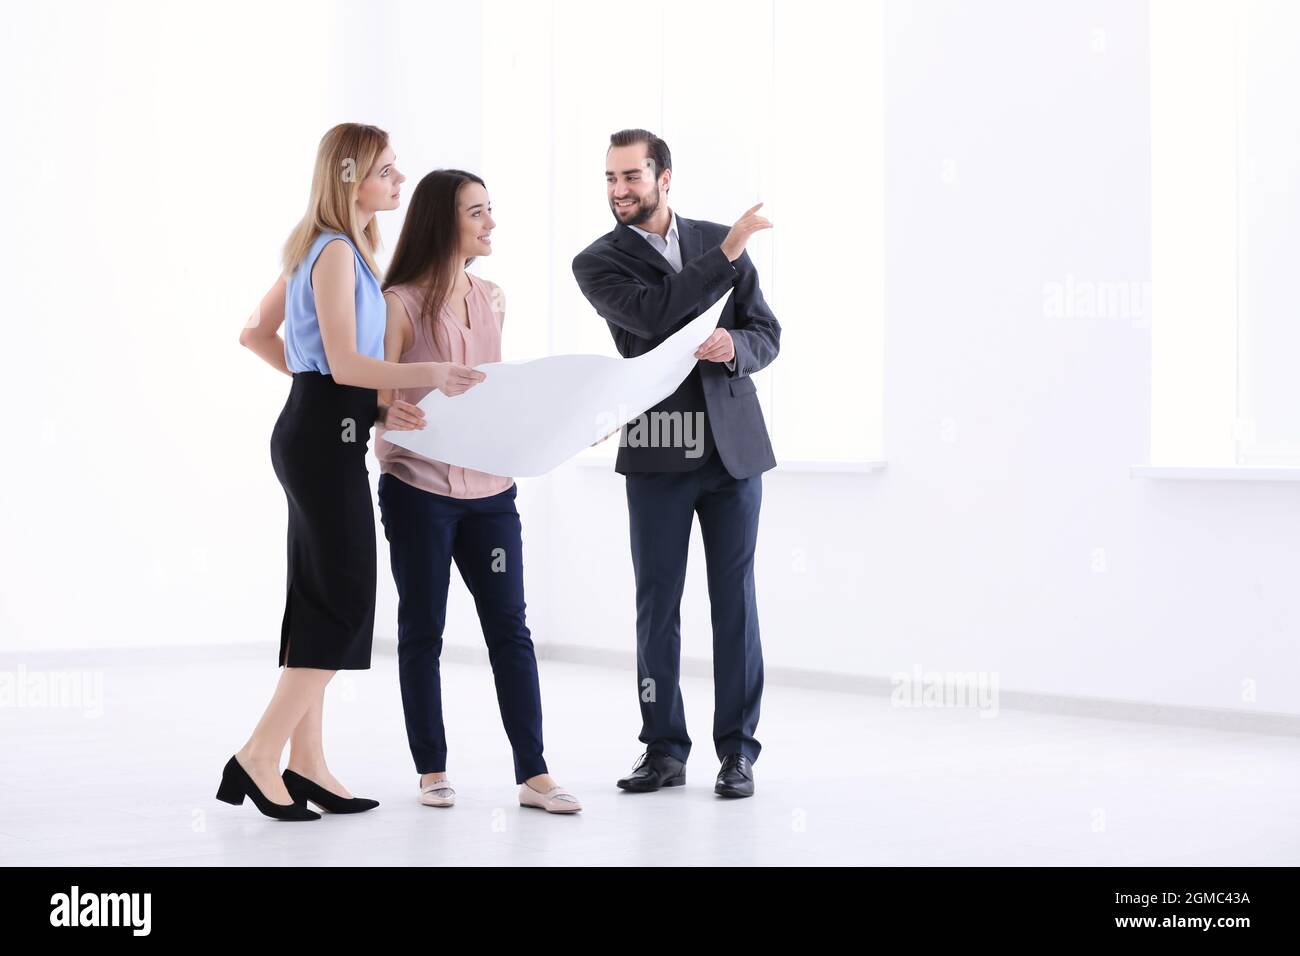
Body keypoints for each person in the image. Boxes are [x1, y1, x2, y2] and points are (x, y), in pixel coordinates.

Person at [217, 123, 478, 820]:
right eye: (386, 170)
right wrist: (428, 373)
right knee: (343, 601)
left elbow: (256, 334)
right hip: (320, 440)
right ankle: (259, 754)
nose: (399, 180)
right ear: (350, 178)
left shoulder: (327, 247)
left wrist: (361, 403)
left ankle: (307, 763)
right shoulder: (335, 251)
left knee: (318, 600)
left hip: (315, 430)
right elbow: (343, 362)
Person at [571, 128, 780, 798]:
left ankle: (738, 752)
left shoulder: (719, 239)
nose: (618, 190)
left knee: (735, 602)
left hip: (733, 450)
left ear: (664, 177)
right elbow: (654, 317)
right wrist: (726, 255)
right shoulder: (597, 262)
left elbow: (766, 332)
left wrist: (736, 348)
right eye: (610, 178)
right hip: (658, 450)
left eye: (631, 176)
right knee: (657, 605)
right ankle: (663, 749)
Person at [376, 169, 581, 814]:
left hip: (491, 490)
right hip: (418, 488)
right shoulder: (398, 302)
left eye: (490, 209)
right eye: (477, 212)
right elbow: (378, 396)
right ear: (445, 221)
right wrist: (385, 413)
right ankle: (431, 770)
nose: (490, 223)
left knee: (510, 628)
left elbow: (498, 394)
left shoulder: (493, 297)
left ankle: (534, 775)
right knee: (423, 629)